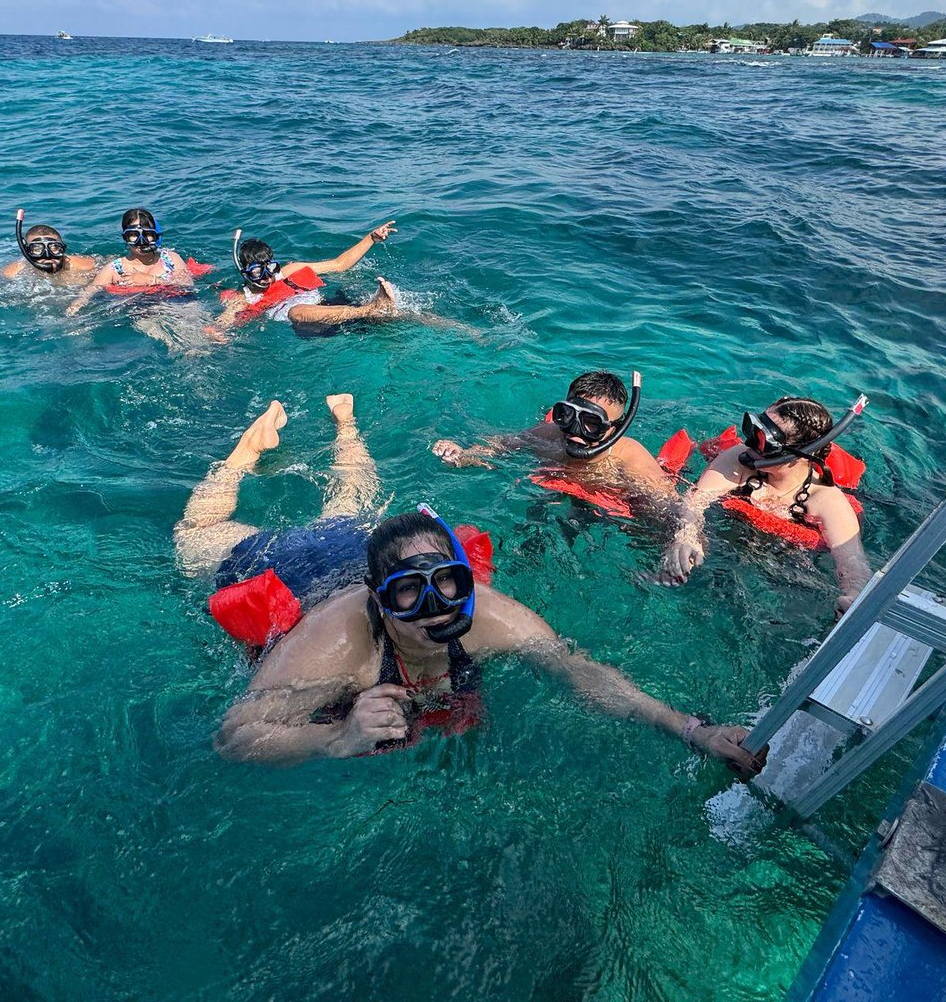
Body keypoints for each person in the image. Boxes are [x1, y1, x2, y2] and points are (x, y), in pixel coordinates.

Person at [212, 504, 766, 772]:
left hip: (371, 544)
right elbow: (234, 738)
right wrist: (334, 738)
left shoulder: (491, 617)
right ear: (379, 598)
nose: (435, 608)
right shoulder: (339, 648)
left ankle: (348, 439)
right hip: (296, 571)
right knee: (201, 537)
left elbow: (582, 673)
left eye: (446, 583)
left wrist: (693, 730)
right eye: (408, 593)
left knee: (350, 501)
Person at [659, 396, 871, 616]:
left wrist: (853, 595)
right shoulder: (737, 460)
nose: (748, 443)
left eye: (762, 440)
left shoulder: (827, 502)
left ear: (798, 455)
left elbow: (852, 561)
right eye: (752, 428)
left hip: (785, 563)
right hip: (731, 542)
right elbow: (695, 501)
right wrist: (687, 536)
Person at [174, 395, 378, 589]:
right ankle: (345, 425)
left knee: (350, 495)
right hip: (286, 573)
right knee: (194, 534)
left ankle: (346, 426)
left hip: (342, 549)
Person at [432, 370, 681, 523]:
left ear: (614, 428)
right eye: (568, 416)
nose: (575, 432)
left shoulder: (628, 461)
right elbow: (500, 445)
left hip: (612, 504)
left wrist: (683, 542)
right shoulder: (549, 435)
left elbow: (673, 509)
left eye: (592, 424)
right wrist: (464, 454)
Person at [66, 208, 213, 352]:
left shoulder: (170, 258)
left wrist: (151, 279)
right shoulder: (115, 268)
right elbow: (91, 289)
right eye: (133, 235)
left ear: (156, 236)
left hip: (180, 304)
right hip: (144, 311)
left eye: (147, 234)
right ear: (125, 237)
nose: (141, 241)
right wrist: (74, 308)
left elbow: (187, 284)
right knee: (179, 346)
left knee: (207, 340)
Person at [220, 223, 407, 327]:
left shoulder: (289, 271)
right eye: (257, 272)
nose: (268, 277)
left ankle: (433, 324)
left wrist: (371, 238)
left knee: (404, 316)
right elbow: (224, 322)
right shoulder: (243, 299)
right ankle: (370, 308)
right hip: (312, 326)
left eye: (270, 268)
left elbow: (338, 265)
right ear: (245, 273)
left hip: (334, 308)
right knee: (295, 311)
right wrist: (215, 332)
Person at [1, 208, 98, 282]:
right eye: (37, 249)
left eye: (54, 248)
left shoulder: (86, 267)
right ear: (26, 252)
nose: (47, 255)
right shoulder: (12, 274)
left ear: (63, 248)